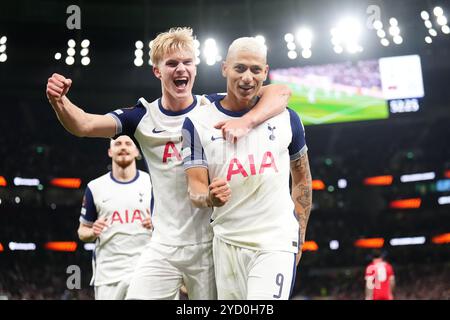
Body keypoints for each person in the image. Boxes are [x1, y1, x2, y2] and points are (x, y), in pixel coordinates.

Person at [46, 27, 291, 299]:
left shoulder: (212, 109)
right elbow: (84, 125)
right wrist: (59, 101)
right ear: (157, 71)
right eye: (172, 64)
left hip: (211, 246)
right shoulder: (142, 117)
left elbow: (279, 92)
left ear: (195, 69)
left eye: (187, 62)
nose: (180, 69)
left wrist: (247, 121)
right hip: (163, 246)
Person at [181, 37, 312, 300]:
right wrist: (208, 197)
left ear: (265, 72)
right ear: (224, 68)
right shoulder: (197, 123)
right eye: (239, 68)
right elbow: (194, 188)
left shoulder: (288, 118)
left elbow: (302, 179)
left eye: (255, 69)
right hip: (226, 243)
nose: (247, 77)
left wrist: (300, 235)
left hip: (275, 241)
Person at [77, 135, 153, 300]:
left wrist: (157, 224)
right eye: (117, 144)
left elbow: (170, 223)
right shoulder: (95, 187)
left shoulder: (152, 183)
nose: (123, 147)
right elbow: (82, 232)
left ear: (136, 151)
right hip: (108, 275)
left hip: (147, 270)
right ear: (110, 152)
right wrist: (92, 232)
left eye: (128, 143)